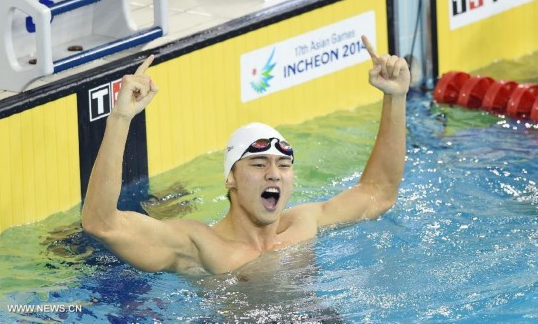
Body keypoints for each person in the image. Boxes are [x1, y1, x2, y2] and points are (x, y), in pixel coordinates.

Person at [81, 35, 410, 274]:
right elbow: (101, 223)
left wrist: (395, 98)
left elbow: (378, 193)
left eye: (284, 164)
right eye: (258, 163)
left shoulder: (305, 224)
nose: (274, 173)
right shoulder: (200, 246)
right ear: (230, 179)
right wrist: (121, 117)